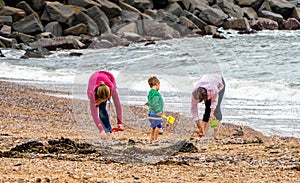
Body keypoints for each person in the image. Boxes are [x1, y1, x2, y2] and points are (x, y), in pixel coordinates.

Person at [87, 70, 123, 140]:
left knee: (102, 109)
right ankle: (107, 131)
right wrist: (101, 130)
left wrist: (120, 122)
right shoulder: (91, 94)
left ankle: (109, 131)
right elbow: (94, 114)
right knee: (101, 109)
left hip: (109, 77)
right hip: (93, 79)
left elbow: (118, 105)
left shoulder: (112, 89)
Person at [191, 74, 225, 139]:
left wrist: (212, 112)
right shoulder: (194, 93)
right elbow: (193, 110)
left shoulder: (213, 90)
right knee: (207, 109)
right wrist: (199, 126)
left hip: (218, 82)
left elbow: (214, 101)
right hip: (207, 81)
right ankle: (204, 132)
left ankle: (216, 134)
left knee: (215, 110)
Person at [147, 76, 164, 143]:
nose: (159, 87)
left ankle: (151, 138)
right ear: (157, 84)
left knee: (153, 126)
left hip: (151, 112)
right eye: (159, 85)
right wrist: (159, 110)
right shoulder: (156, 94)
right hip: (156, 113)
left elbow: (150, 102)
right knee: (158, 126)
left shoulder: (150, 93)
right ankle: (155, 138)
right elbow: (155, 103)